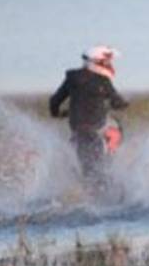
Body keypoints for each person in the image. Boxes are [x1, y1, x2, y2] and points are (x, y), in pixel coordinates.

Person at [49, 45, 130, 173]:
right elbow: (117, 102)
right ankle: (110, 159)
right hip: (95, 130)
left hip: (77, 129)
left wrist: (57, 113)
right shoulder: (103, 81)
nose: (109, 65)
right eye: (107, 62)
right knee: (116, 129)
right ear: (97, 62)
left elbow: (54, 101)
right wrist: (124, 103)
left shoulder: (71, 79)